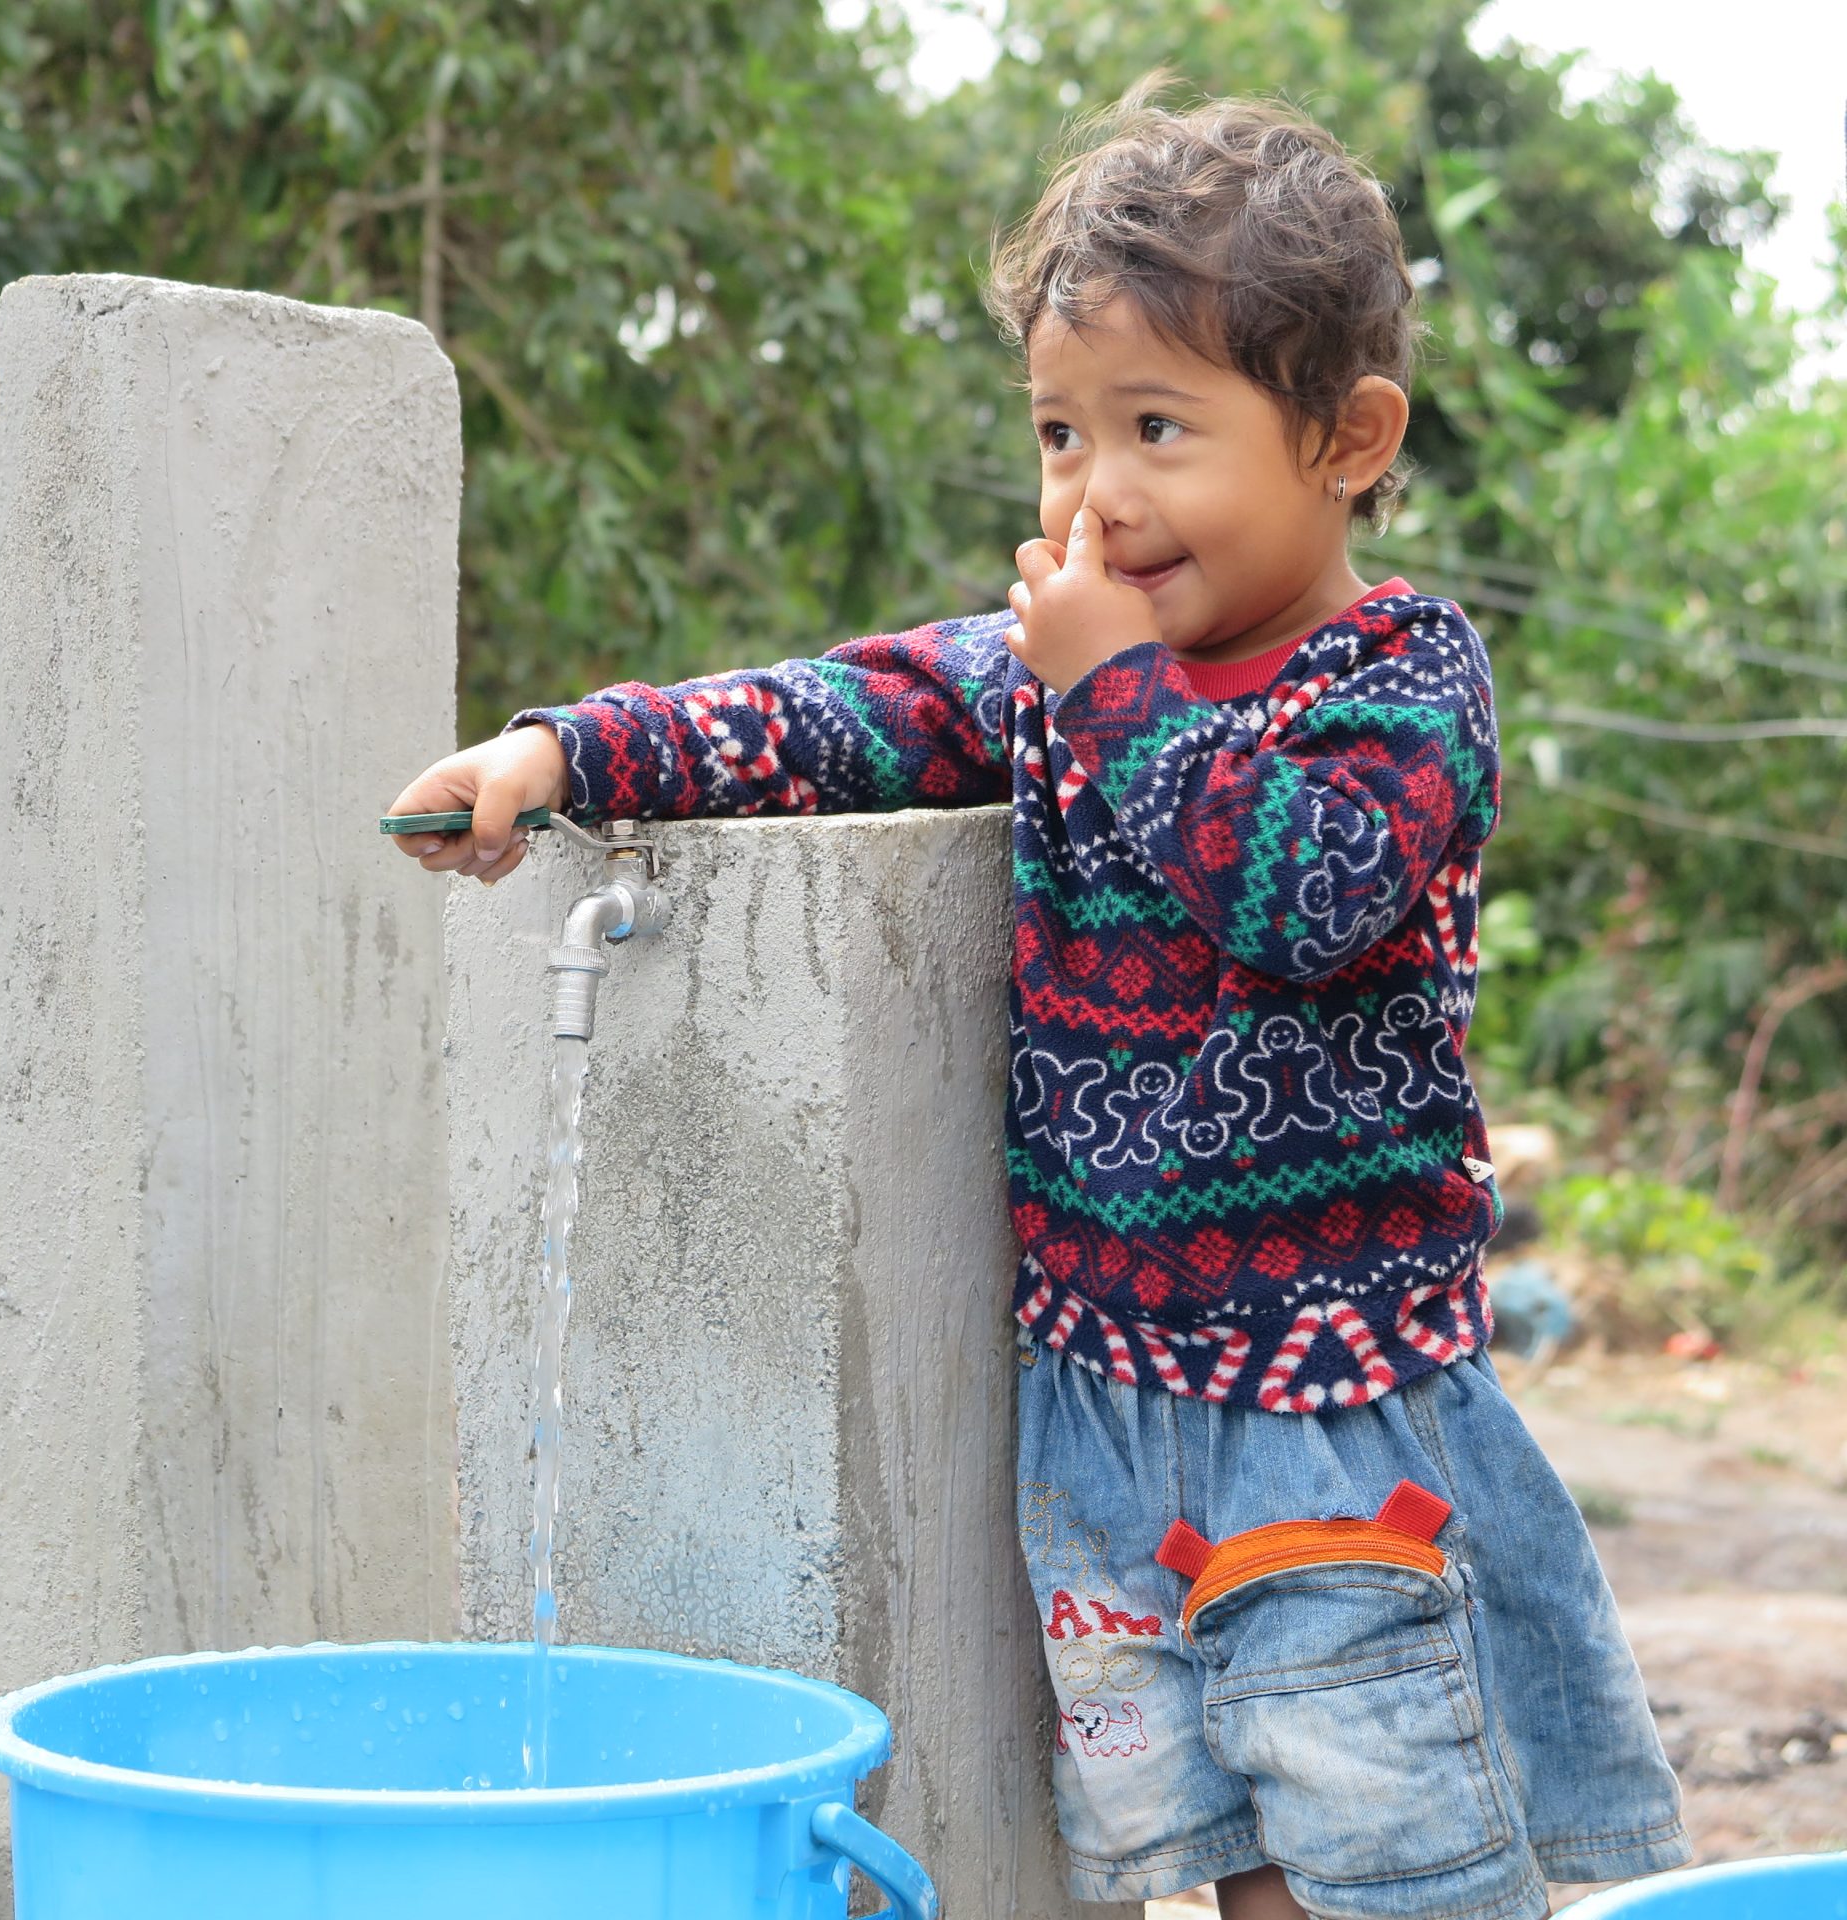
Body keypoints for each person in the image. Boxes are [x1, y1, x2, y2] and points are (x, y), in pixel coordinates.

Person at [386, 88, 1687, 1920]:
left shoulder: (1398, 681)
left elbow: (1302, 896)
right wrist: (561, 749)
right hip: (1098, 1410)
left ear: (1347, 439)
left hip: (1329, 1406)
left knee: (1385, 1856)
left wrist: (1108, 695)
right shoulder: (1043, 671)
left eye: (1162, 426)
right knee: (1214, 1856)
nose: (1098, 494)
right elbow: (824, 717)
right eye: (1063, 434)